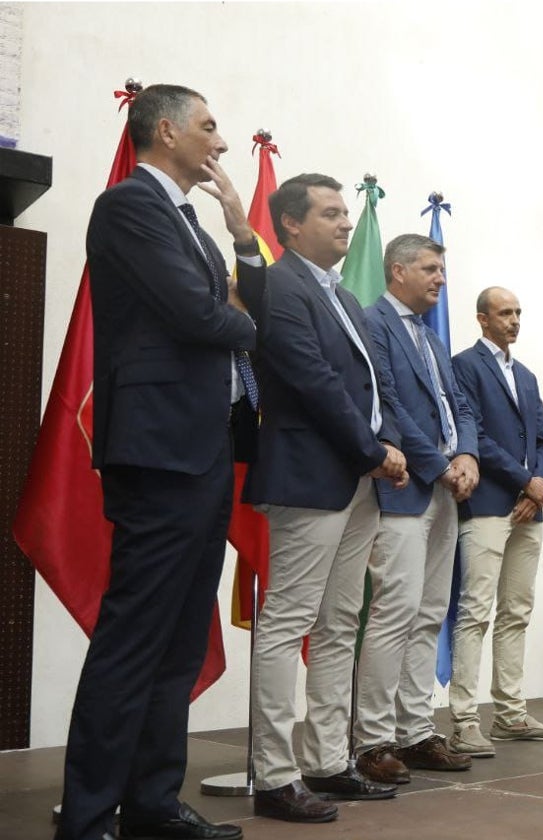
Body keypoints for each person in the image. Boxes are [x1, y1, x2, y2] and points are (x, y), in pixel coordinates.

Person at [57, 84, 259, 840]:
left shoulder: (197, 227)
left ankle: (150, 803)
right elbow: (203, 317)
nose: (221, 140)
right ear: (166, 130)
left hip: (202, 450)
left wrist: (242, 234)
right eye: (209, 125)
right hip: (158, 450)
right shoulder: (128, 207)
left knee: (178, 639)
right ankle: (87, 817)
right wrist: (240, 319)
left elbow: (247, 312)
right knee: (134, 637)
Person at [241, 173, 408, 823]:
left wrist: (387, 443)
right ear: (289, 225)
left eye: (346, 214)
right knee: (289, 625)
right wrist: (374, 450)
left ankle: (327, 761)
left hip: (357, 480)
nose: (345, 223)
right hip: (310, 475)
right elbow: (309, 379)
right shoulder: (282, 286)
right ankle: (275, 776)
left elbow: (374, 383)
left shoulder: (341, 292)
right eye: (331, 213)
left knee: (341, 625)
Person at [353, 233, 480, 782]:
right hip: (406, 488)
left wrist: (470, 454)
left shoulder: (431, 337)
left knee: (430, 614)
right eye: (430, 269)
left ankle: (415, 730)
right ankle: (373, 740)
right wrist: (440, 464)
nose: (440, 279)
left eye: (442, 270)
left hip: (448, 489)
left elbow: (460, 404)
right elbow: (389, 403)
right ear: (398, 270)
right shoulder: (373, 322)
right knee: (394, 612)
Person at [446, 286, 543, 757]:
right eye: (505, 312)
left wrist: (538, 488)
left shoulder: (529, 376)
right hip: (489, 503)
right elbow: (472, 436)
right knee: (476, 611)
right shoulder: (464, 366)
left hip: (527, 510)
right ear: (482, 319)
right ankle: (463, 721)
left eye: (518, 312)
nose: (514, 320)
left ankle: (511, 714)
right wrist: (524, 482)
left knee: (516, 611)